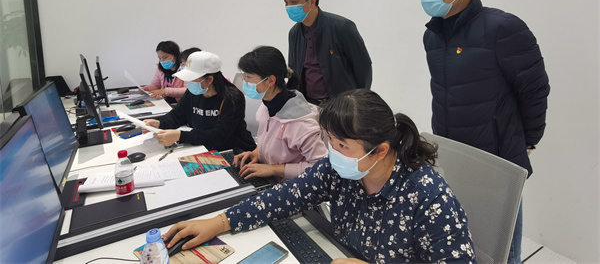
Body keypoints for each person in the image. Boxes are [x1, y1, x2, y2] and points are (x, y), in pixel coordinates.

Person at [163, 89, 477, 264]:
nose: (332, 152)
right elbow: (287, 195)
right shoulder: (341, 170)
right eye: (330, 141)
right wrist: (220, 222)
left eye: (342, 145)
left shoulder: (429, 198)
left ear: (381, 150)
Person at [420, 0, 550, 264]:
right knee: (464, 235)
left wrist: (528, 141)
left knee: (502, 250)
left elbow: (534, 89)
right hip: (455, 155)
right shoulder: (433, 36)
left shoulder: (502, 28)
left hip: (497, 159)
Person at [233, 46, 328, 181]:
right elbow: (272, 140)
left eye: (249, 78)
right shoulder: (267, 105)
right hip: (270, 178)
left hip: (292, 185)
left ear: (271, 80)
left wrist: (273, 169)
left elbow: (321, 167)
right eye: (244, 77)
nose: (245, 82)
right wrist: (257, 153)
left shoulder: (301, 123)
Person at [283, 0, 372, 105]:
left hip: (341, 106)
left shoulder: (342, 27)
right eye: (286, 2)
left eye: (293, 1)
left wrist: (359, 102)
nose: (288, 7)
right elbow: (295, 73)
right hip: (309, 106)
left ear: (312, 1)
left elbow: (363, 68)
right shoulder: (294, 33)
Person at [143, 51, 256, 152]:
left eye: (192, 79)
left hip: (234, 151)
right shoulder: (194, 92)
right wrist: (159, 123)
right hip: (204, 147)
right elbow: (177, 115)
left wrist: (180, 136)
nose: (189, 83)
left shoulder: (233, 97)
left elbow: (219, 135)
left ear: (210, 79)